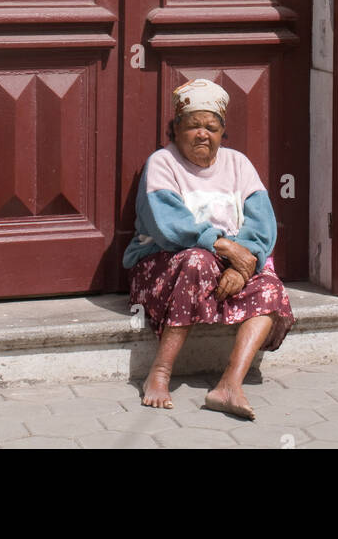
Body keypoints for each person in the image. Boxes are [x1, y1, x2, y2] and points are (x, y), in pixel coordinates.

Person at [124, 77, 295, 419]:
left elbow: (262, 225)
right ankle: (159, 373)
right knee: (197, 261)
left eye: (211, 127)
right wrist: (224, 248)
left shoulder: (238, 164)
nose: (203, 134)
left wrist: (240, 265)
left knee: (272, 287)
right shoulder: (162, 163)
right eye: (193, 126)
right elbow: (168, 225)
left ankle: (230, 385)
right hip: (161, 268)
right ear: (176, 129)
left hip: (229, 268)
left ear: (221, 133)